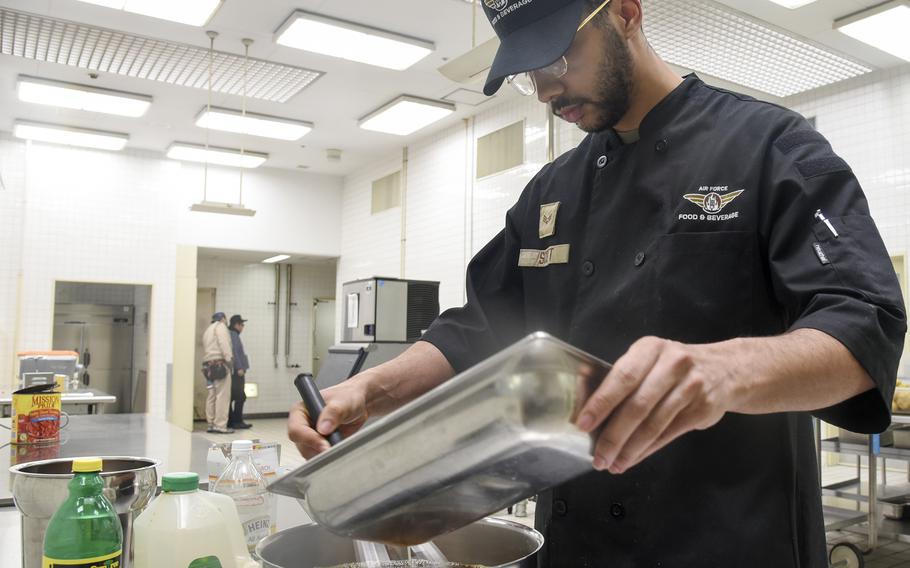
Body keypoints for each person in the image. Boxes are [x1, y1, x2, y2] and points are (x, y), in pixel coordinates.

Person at [289, 0, 907, 566]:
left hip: (729, 540)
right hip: (578, 544)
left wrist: (725, 371)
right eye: (528, 71)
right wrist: (373, 389)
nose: (545, 90)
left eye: (557, 58)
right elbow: (477, 328)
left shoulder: (771, 146)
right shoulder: (550, 191)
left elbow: (863, 327)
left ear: (626, 13)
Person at [202, 312, 233, 434]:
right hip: (220, 365)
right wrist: (229, 359)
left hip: (208, 366)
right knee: (222, 396)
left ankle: (210, 423)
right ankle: (220, 425)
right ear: (223, 319)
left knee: (212, 395)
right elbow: (224, 343)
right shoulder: (220, 327)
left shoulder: (208, 330)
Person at [228, 314, 252, 429]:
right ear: (236, 325)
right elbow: (235, 352)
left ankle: (231, 421)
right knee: (240, 397)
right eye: (242, 324)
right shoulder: (233, 335)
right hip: (237, 372)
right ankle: (237, 421)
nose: (243, 327)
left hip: (233, 371)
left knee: (233, 396)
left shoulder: (231, 334)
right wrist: (239, 368)